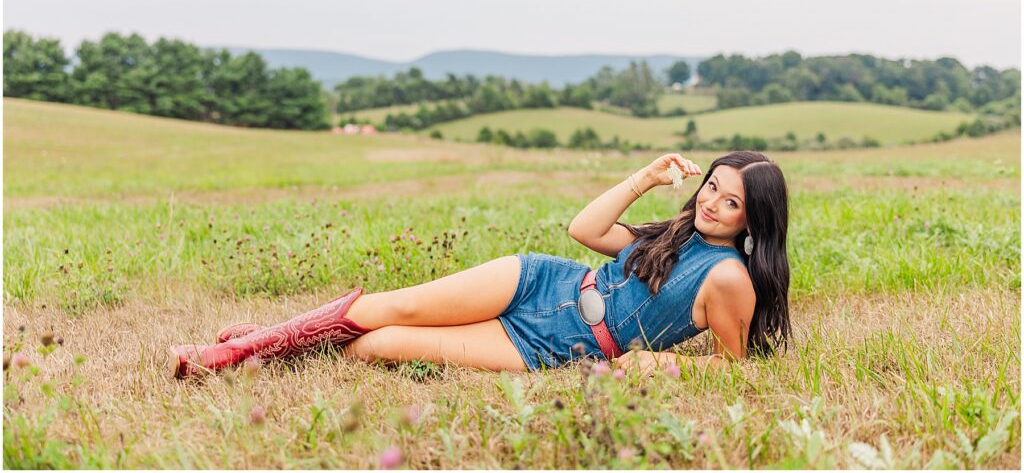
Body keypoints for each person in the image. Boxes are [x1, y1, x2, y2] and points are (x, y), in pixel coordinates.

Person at [167, 151, 791, 379]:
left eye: (730, 201)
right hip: (543, 281)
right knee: (397, 304)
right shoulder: (675, 231)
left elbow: (732, 369)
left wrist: (666, 367)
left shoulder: (729, 279)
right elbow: (585, 231)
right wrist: (646, 177)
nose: (711, 203)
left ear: (752, 220)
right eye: (711, 186)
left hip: (563, 342)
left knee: (380, 344)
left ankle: (268, 340)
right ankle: (229, 355)